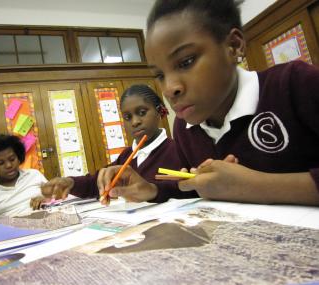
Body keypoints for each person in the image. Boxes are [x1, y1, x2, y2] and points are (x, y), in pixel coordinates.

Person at [97, 0, 319, 206]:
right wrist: (152, 190)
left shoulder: (294, 84)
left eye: (186, 61)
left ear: (234, 46)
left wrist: (253, 187)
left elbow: (233, 189)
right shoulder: (184, 128)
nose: (169, 89)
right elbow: (196, 188)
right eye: (160, 75)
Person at [41, 84, 196, 203]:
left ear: (160, 112)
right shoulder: (126, 156)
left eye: (142, 113)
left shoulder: (178, 149)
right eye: (127, 117)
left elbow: (192, 190)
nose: (135, 122)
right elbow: (96, 183)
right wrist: (71, 182)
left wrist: (153, 190)